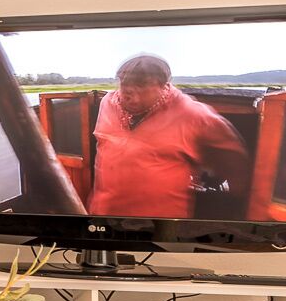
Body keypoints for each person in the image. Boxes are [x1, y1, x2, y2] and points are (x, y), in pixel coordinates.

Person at [90, 54, 248, 218]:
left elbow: (234, 161)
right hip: (105, 219)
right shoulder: (107, 103)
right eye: (125, 86)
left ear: (163, 86)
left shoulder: (192, 114)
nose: (129, 95)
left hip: (162, 226)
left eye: (141, 87)